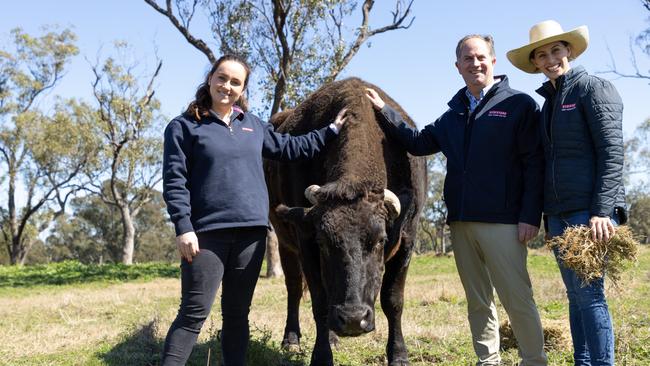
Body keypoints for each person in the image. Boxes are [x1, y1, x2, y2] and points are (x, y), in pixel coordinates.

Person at [365, 35, 547, 366]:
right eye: (467, 59)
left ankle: (534, 360)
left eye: (481, 57)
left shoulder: (520, 106)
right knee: (478, 300)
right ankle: (487, 360)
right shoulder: (453, 115)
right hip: (461, 222)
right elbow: (417, 142)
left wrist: (530, 214)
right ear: (458, 66)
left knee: (517, 298)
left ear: (493, 62)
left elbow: (534, 164)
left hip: (504, 221)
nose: (475, 63)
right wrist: (384, 111)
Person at [161, 54, 347, 366]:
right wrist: (183, 227)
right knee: (193, 314)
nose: (227, 86)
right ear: (210, 79)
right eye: (222, 78)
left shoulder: (253, 126)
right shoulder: (183, 127)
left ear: (243, 89)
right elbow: (174, 182)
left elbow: (291, 148)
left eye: (236, 82)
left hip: (251, 235)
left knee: (237, 315)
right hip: (205, 236)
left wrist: (331, 130)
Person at [507, 20, 626, 365]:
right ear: (536, 64)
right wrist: (546, 215)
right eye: (541, 55)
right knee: (574, 297)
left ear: (569, 51)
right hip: (559, 214)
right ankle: (582, 361)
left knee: (590, 297)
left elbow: (612, 152)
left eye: (556, 50)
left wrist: (602, 211)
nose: (549, 59)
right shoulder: (548, 104)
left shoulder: (592, 88)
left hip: (588, 213)